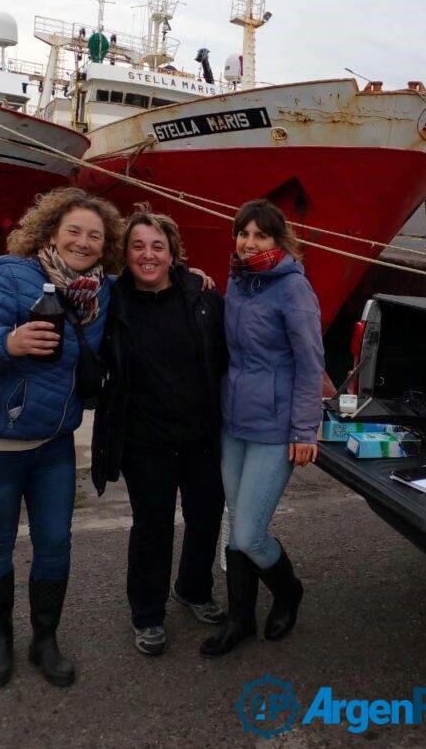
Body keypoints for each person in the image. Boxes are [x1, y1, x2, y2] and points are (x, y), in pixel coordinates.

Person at [0, 188, 122, 688]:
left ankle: (44, 639)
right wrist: (10, 343)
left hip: (52, 443)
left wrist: (191, 275)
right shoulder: (8, 274)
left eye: (95, 235)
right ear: (49, 232)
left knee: (54, 542)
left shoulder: (100, 289)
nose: (84, 242)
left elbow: (152, 274)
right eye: (74, 231)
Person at [92, 206, 227, 657]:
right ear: (124, 254)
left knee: (206, 516)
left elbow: (227, 358)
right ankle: (147, 613)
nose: (148, 256)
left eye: (157, 247)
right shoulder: (112, 300)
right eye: (138, 246)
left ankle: (192, 587)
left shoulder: (201, 295)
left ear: (173, 253)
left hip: (200, 437)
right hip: (144, 441)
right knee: (152, 527)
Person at [201, 199, 324, 658]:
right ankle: (240, 620)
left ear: (278, 240)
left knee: (251, 533)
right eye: (243, 233)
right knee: (236, 527)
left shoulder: (293, 290)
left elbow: (311, 365)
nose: (249, 242)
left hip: (275, 428)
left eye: (260, 235)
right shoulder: (238, 280)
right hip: (234, 421)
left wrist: (305, 431)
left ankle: (288, 591)